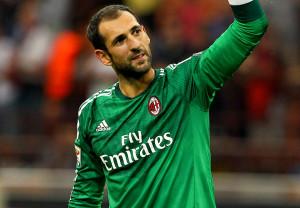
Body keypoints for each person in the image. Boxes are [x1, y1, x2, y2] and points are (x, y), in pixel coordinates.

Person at [69, 0, 268, 207]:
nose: (134, 44)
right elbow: (84, 198)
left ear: (146, 33)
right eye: (120, 41)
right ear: (103, 57)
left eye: (136, 32)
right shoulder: (93, 113)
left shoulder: (188, 82)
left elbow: (251, 26)